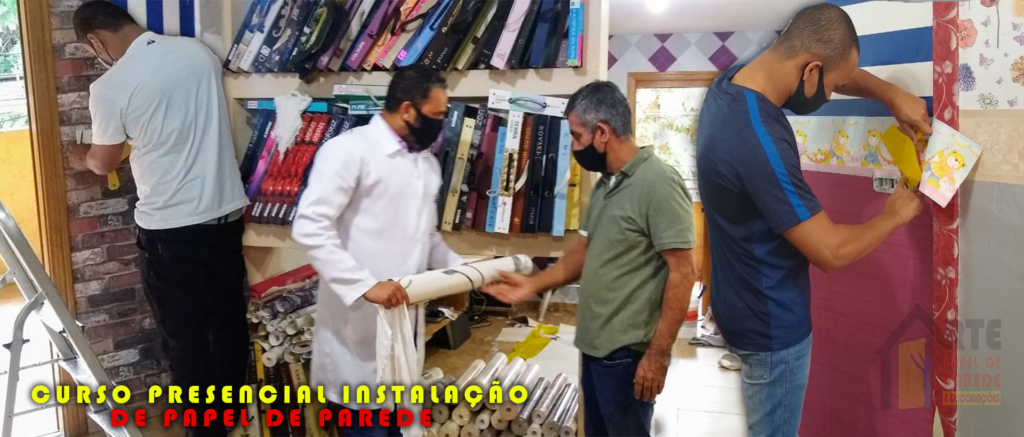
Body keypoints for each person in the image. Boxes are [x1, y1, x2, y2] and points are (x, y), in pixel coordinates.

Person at [695, 4, 928, 437]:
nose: (832, 95)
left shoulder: (730, 86)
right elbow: (830, 251)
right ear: (811, 70)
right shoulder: (759, 140)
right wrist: (894, 216)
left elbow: (835, 68)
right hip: (772, 329)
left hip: (739, 305)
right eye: (833, 87)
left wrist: (891, 94)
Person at [68, 2, 250, 436]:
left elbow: (104, 160)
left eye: (92, 50)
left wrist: (80, 157)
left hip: (171, 229)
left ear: (95, 40)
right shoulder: (197, 54)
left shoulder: (110, 86)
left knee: (184, 339)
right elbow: (176, 122)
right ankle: (230, 421)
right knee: (228, 324)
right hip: (225, 215)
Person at [483, 81, 698, 436]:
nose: (574, 146)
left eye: (577, 136)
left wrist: (657, 355)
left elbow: (683, 272)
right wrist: (531, 284)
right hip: (595, 347)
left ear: (602, 132)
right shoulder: (607, 184)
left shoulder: (659, 183)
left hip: (628, 354)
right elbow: (582, 253)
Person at [291, 65, 466, 437]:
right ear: (408, 110)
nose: (441, 125)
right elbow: (310, 225)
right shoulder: (348, 152)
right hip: (355, 332)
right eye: (436, 115)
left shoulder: (426, 165)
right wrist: (365, 285)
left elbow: (427, 237)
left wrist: (464, 271)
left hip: (403, 331)